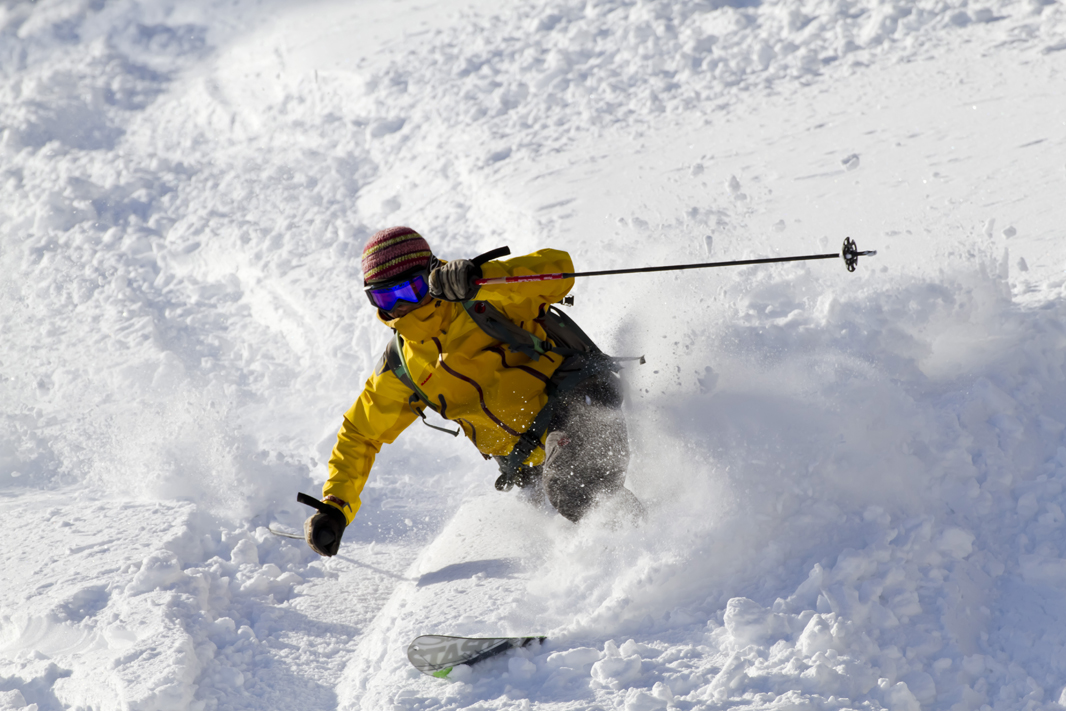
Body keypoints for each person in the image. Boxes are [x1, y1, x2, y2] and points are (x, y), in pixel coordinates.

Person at [304, 226, 638, 557]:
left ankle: (653, 552)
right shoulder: (403, 366)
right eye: (387, 297)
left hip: (580, 403)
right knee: (560, 521)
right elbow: (359, 434)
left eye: (412, 289)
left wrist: (483, 277)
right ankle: (628, 557)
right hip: (529, 464)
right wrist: (335, 506)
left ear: (431, 273)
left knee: (573, 489)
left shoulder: (482, 297)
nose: (403, 305)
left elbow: (559, 271)